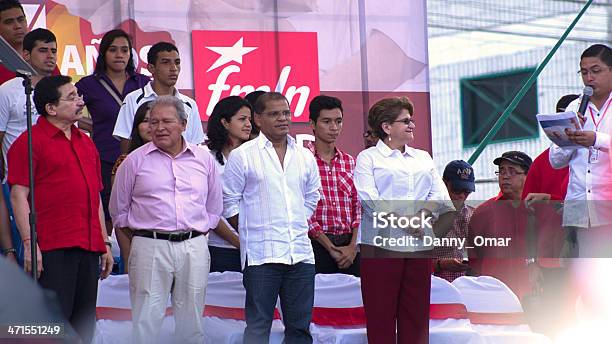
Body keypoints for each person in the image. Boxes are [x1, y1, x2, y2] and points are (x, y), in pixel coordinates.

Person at [8, 75, 113, 343]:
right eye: (72, 97)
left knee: (83, 327)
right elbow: (19, 195)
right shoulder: (30, 141)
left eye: (79, 95)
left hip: (89, 245)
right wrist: (31, 244)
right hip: (54, 246)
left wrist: (105, 242)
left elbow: (95, 196)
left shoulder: (86, 142)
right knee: (52, 328)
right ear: (51, 108)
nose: (81, 102)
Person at [110, 95, 222, 344]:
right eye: (153, 122)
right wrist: (143, 236)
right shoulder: (134, 160)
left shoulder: (204, 160)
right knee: (146, 320)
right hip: (149, 245)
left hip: (194, 245)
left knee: (192, 321)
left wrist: (198, 233)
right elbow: (119, 211)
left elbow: (214, 208)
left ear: (183, 124)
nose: (159, 128)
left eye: (167, 121)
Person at [354, 96, 455, 344]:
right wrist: (405, 223)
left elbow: (440, 197)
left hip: (419, 246)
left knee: (416, 316)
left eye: (412, 120)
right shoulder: (368, 158)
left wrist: (419, 218)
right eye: (405, 121)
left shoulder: (423, 157)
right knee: (381, 316)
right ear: (386, 127)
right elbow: (370, 201)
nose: (412, 125)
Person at [223, 92, 321, 344]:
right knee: (258, 328)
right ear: (258, 119)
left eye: (286, 113)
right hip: (260, 254)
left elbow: (312, 196)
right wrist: (248, 229)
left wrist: (297, 221)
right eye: (274, 114)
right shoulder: (243, 155)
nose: (282, 119)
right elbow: (228, 201)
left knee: (300, 329)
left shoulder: (304, 156)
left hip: (299, 253)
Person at [75, 29, 150, 253]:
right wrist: (94, 126)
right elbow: (70, 114)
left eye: (125, 50)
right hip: (104, 157)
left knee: (141, 208)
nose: (119, 55)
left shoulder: (143, 82)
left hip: (143, 157)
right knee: (110, 210)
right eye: (113, 50)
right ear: (103, 54)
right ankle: (109, 257)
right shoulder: (88, 84)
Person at [0, 28, 57, 264]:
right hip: (17, 184)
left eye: (53, 50)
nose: (50, 56)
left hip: (52, 183)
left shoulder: (59, 91)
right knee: (26, 257)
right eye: (43, 50)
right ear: (25, 55)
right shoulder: (7, 91)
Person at [550, 44, 612, 258]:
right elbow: (555, 160)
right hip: (581, 211)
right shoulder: (575, 107)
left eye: (596, 71)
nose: (589, 78)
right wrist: (569, 137)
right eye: (584, 72)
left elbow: (599, 141)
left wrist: (597, 140)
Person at [112, 41, 205, 152]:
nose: (174, 68)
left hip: (181, 167)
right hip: (144, 166)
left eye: (177, 62)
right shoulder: (133, 99)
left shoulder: (189, 104)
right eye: (165, 62)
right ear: (151, 68)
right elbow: (126, 142)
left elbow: (194, 145)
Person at [306, 95, 361, 276]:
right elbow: (301, 209)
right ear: (312, 124)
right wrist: (329, 247)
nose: (334, 128)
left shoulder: (349, 161)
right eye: (327, 121)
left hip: (349, 247)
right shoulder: (302, 160)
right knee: (317, 302)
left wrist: (353, 246)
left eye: (338, 121)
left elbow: (357, 205)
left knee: (355, 301)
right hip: (315, 244)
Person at [468, 151, 533, 299]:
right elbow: (473, 259)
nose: (505, 176)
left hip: (536, 295)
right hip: (494, 298)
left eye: (512, 171)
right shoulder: (483, 212)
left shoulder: (541, 210)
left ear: (528, 176)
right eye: (502, 171)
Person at [205, 95, 252, 272]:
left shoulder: (255, 157)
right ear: (224, 122)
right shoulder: (207, 159)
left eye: (250, 119)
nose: (248, 124)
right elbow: (209, 210)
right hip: (219, 249)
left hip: (256, 248)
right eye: (242, 119)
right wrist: (238, 242)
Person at [109, 100, 153, 271]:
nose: (151, 126)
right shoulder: (126, 161)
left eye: (156, 121)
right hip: (134, 236)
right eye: (146, 121)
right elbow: (119, 209)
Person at [433, 160, 475, 282]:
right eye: (457, 190)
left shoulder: (474, 215)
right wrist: (440, 264)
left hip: (467, 288)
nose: (462, 195)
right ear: (443, 184)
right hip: (435, 288)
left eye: (467, 191)